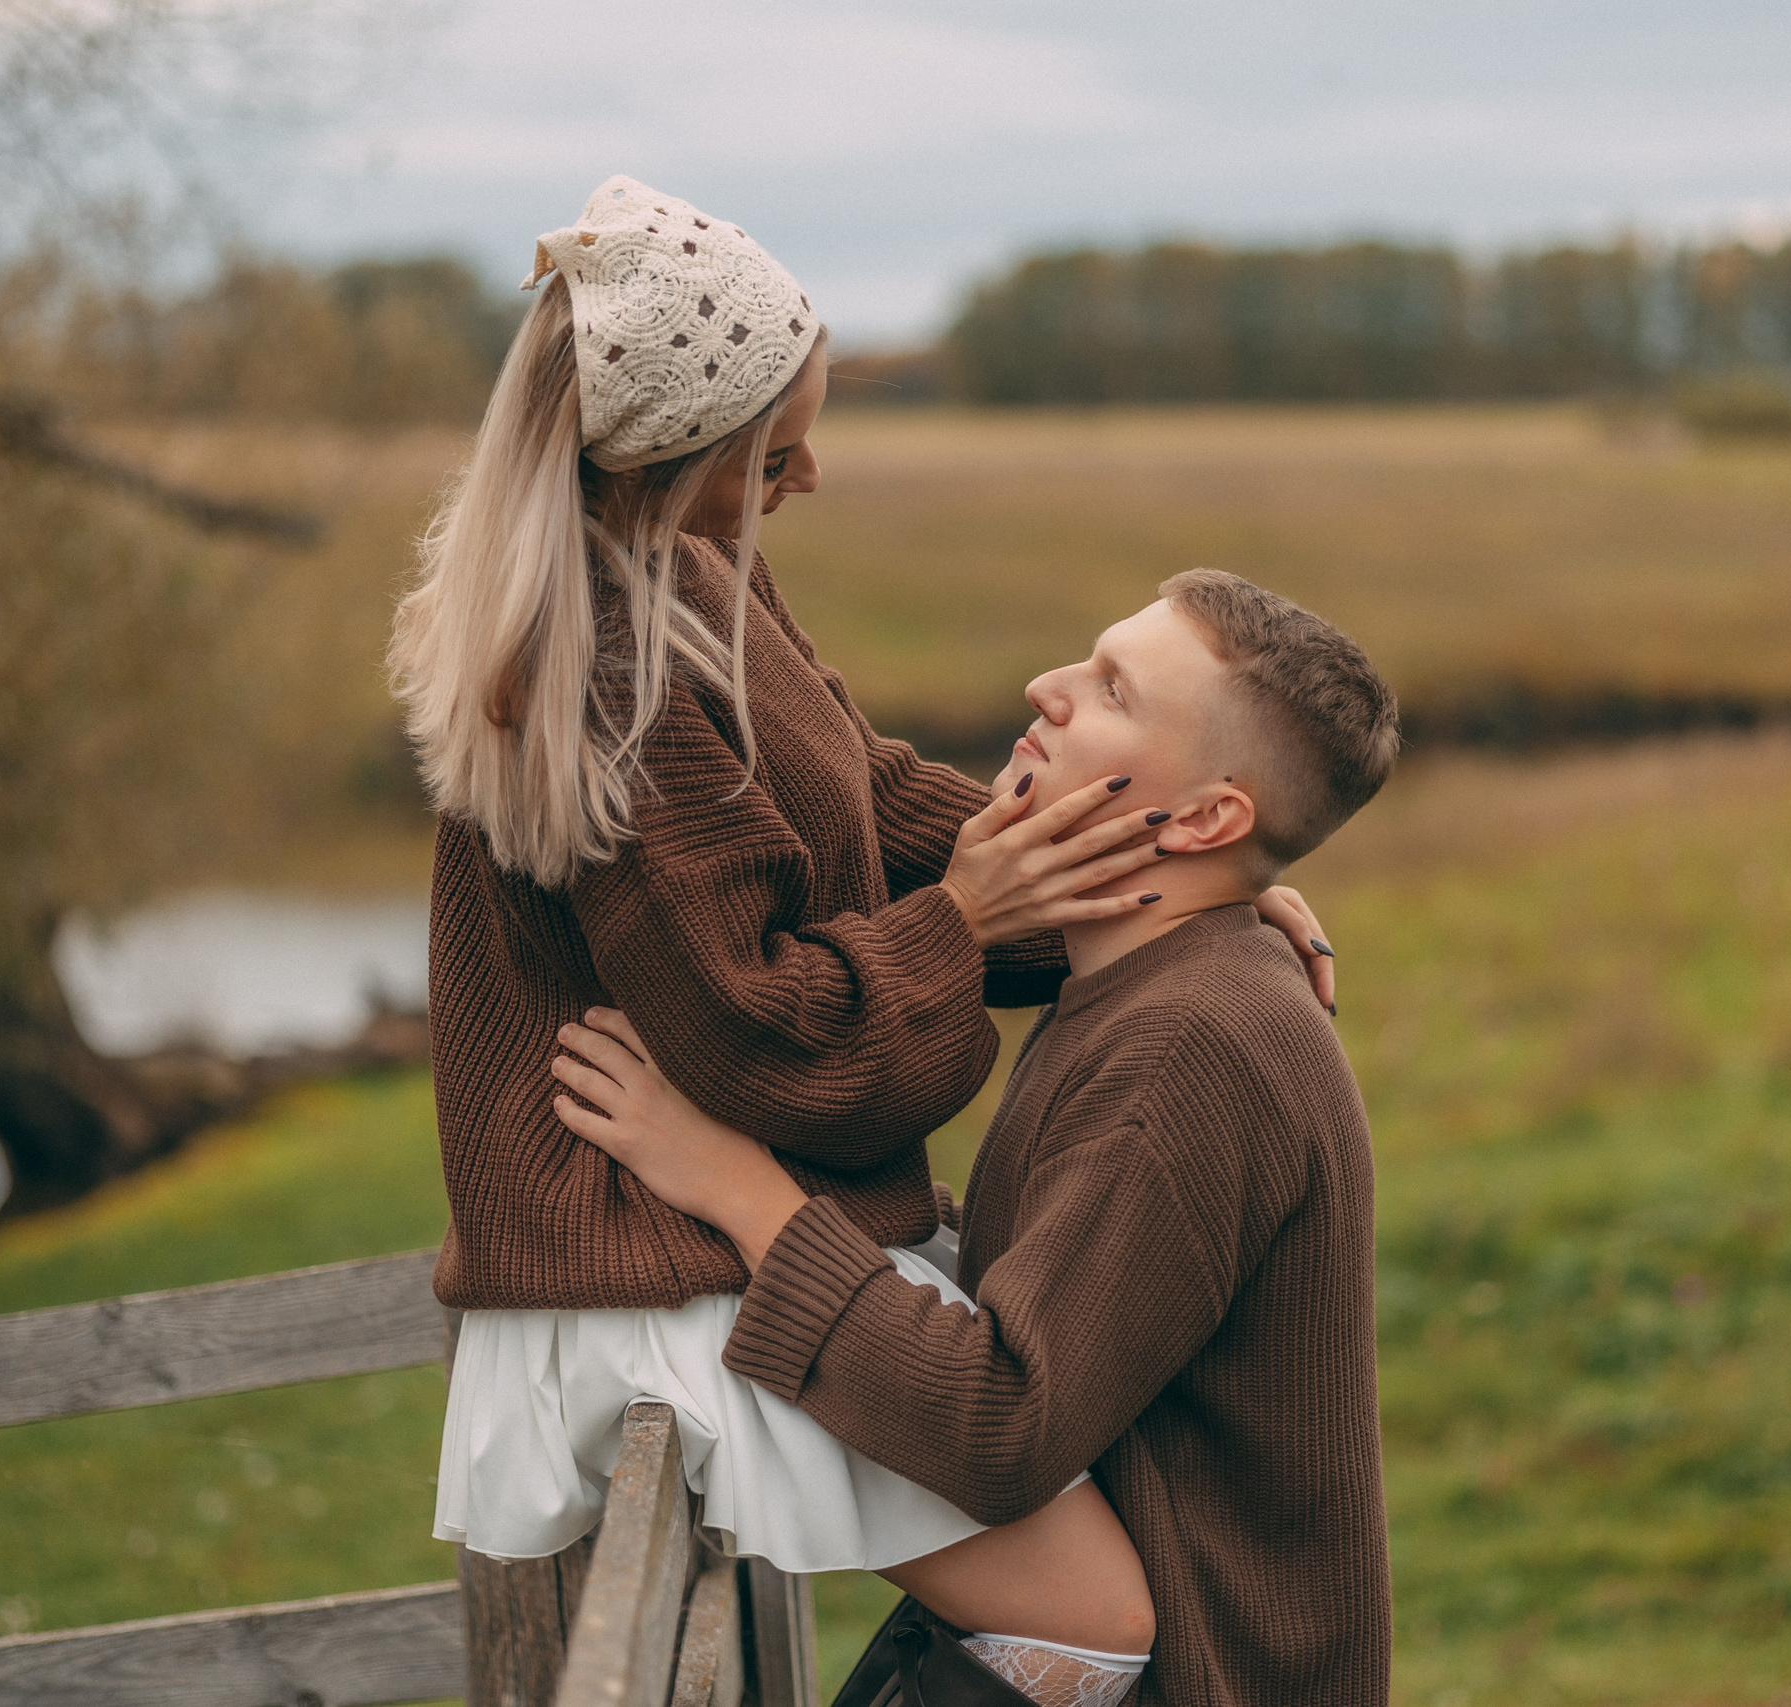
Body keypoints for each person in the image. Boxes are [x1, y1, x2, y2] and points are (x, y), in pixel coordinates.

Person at [388, 178, 1341, 1706]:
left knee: (1070, 1571)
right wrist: (969, 917)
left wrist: (1143, 881)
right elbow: (773, 1044)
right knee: (1094, 1616)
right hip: (651, 1264)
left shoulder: (694, 573)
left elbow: (872, 792)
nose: (809, 473)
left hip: (706, 1233)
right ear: (673, 453)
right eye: (774, 453)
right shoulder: (604, 677)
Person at [555, 570, 1399, 1705]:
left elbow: (1000, 1428)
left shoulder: (1191, 1045)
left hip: (1196, 1673)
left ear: (1203, 819)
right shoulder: (1162, 983)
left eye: (1112, 690)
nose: (1046, 688)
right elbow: (1066, 1290)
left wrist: (739, 1189)